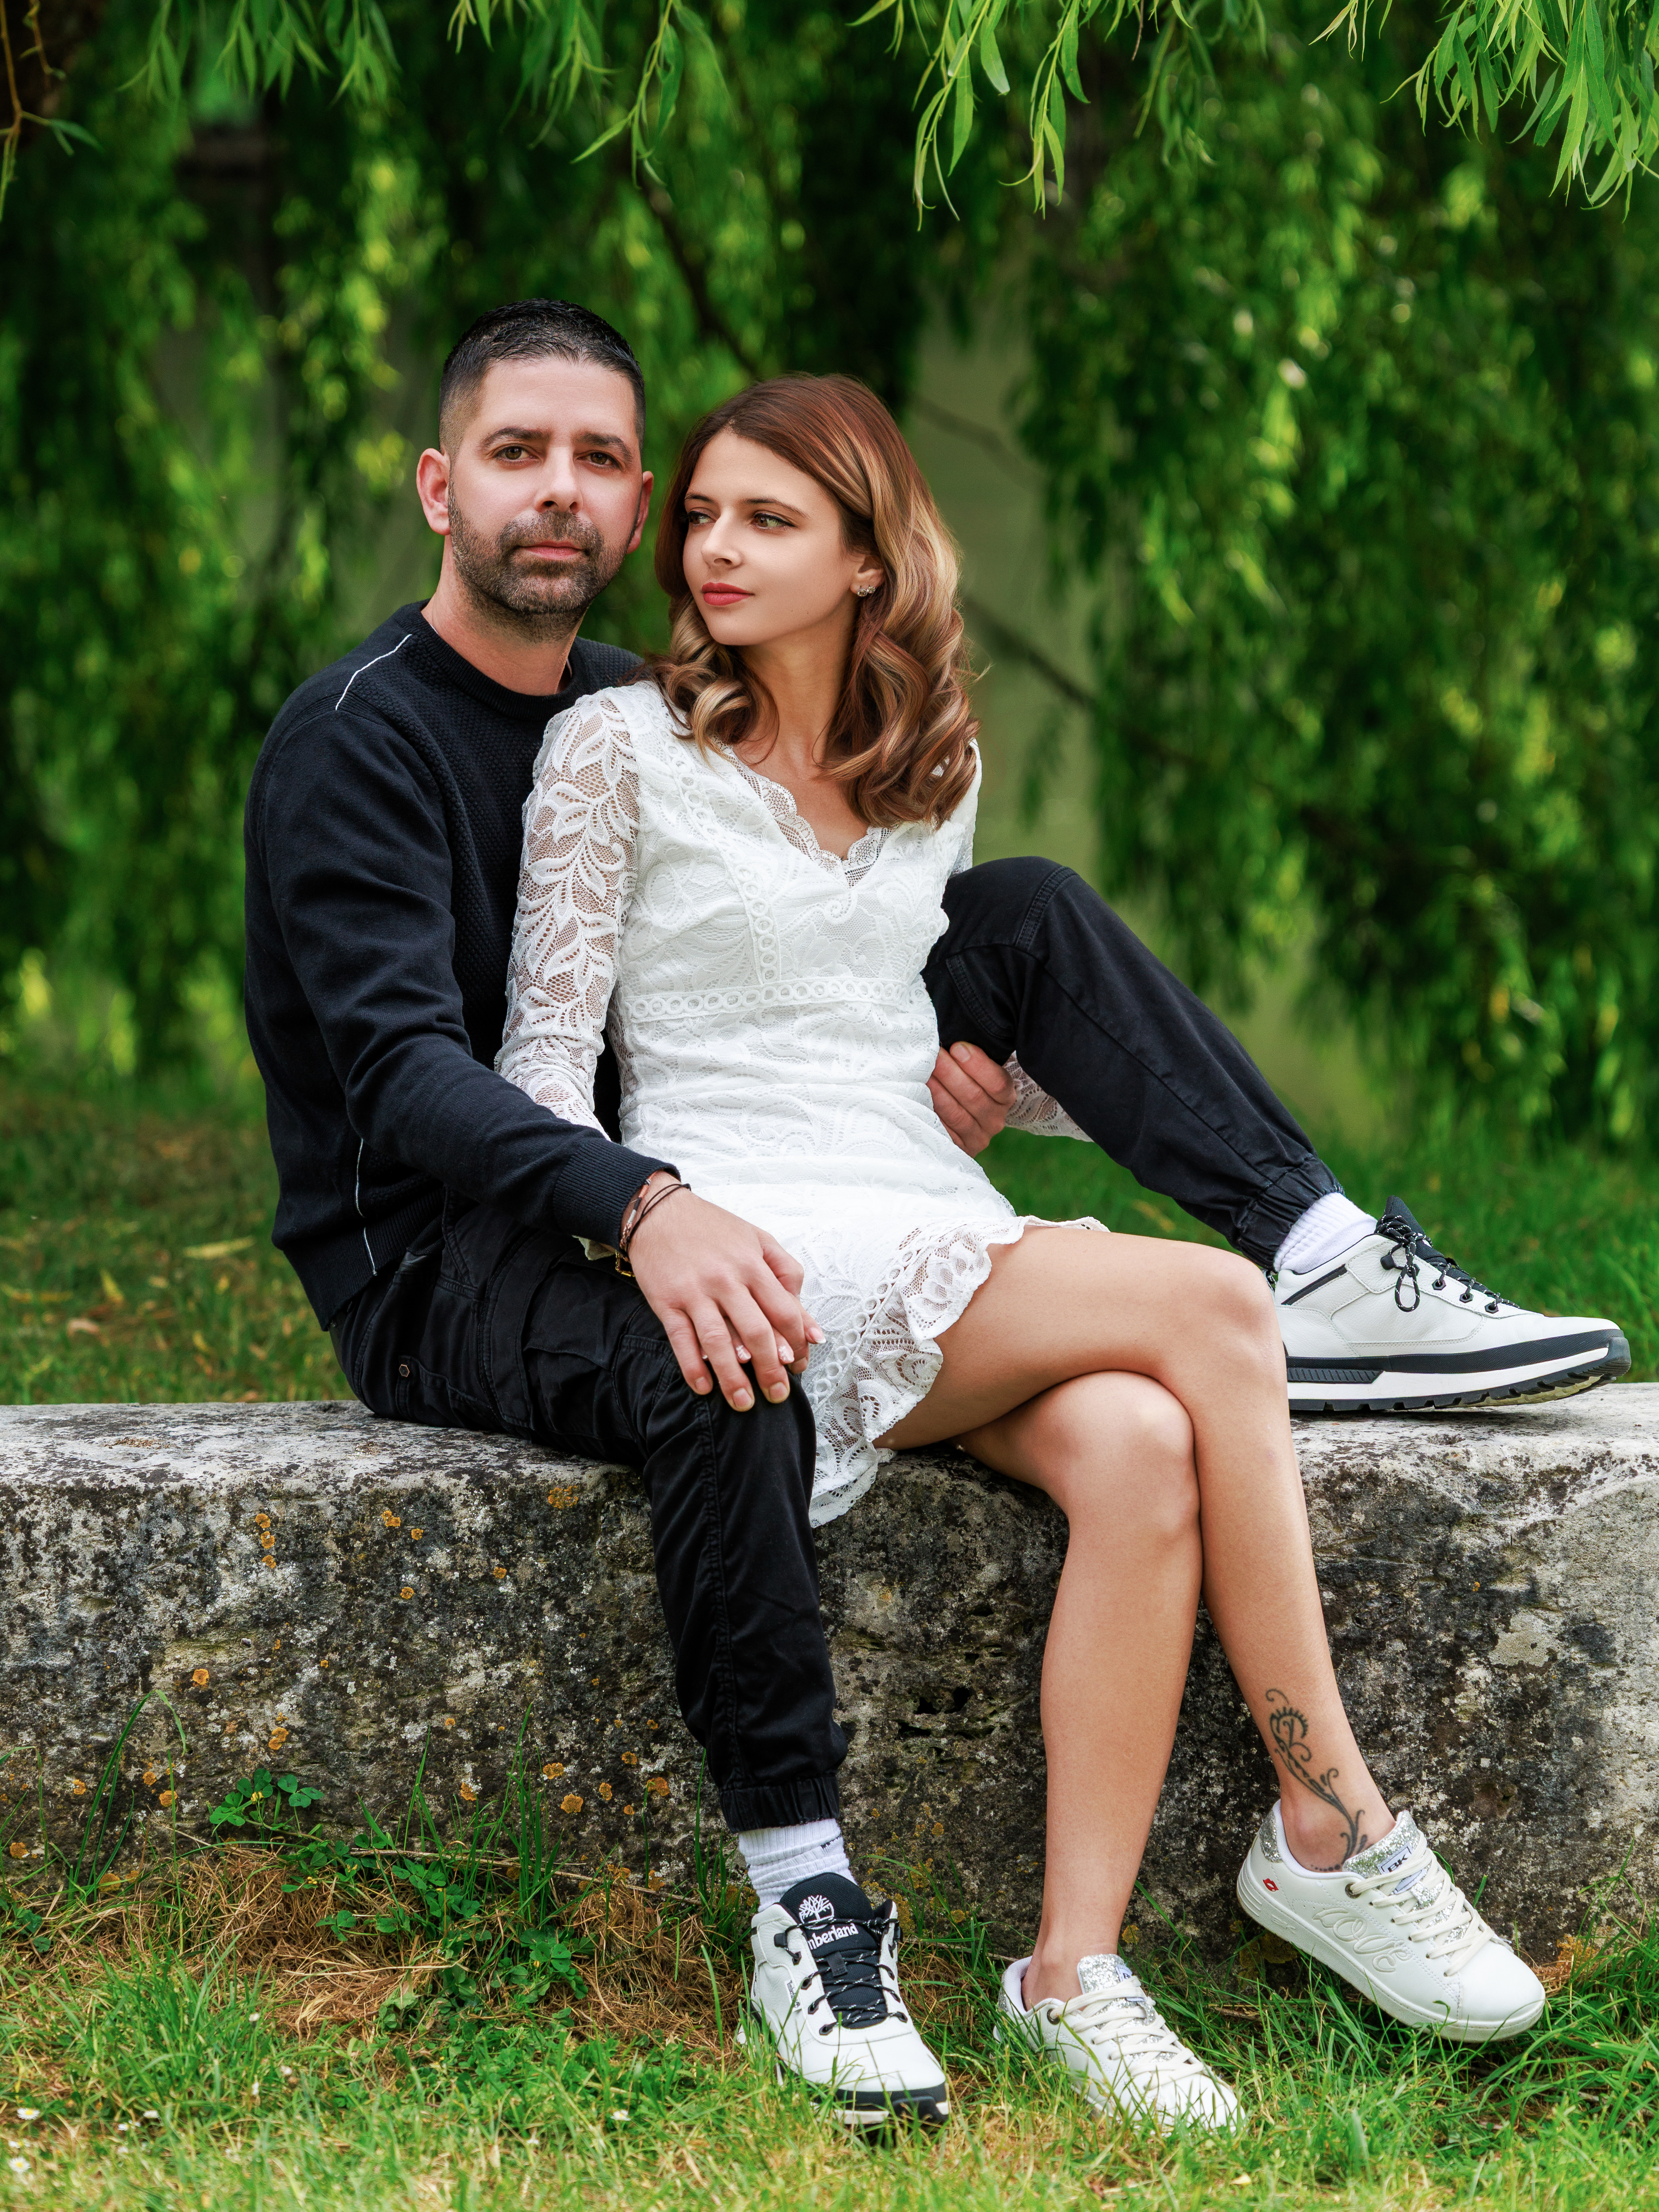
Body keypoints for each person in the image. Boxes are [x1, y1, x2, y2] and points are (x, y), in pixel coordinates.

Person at [242, 301, 1612, 2131]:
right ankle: (1318, 1816)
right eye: (517, 453)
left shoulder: (666, 701)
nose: (601, 507)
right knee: (1191, 1315)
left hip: (820, 1185)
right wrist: (645, 1207)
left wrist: (972, 1079)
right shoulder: (405, 741)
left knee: (1135, 1437)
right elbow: (453, 1068)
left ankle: (1073, 1971)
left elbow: (829, 986)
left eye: (610, 468)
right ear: (438, 484)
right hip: (462, 1249)